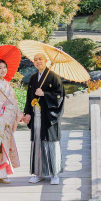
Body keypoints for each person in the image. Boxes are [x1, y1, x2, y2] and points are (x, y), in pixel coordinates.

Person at [22, 52, 65, 185]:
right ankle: (39, 173)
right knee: (37, 143)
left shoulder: (53, 77)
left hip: (48, 116)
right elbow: (29, 98)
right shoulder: (34, 78)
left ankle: (55, 174)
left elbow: (60, 96)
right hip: (36, 116)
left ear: (46, 60)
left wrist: (44, 94)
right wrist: (28, 113)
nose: (37, 61)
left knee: (51, 144)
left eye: (40, 59)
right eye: (35, 60)